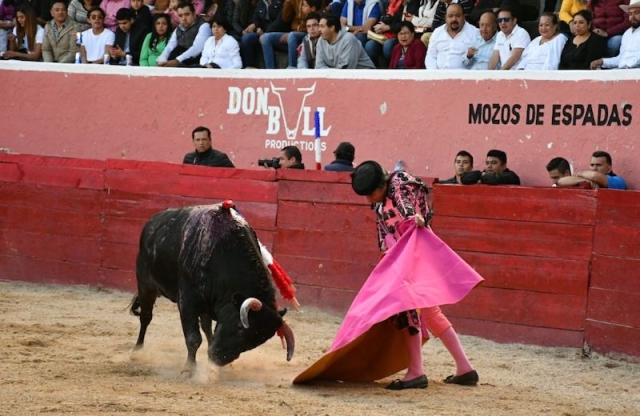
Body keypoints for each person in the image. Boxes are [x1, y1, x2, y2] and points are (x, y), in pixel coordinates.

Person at [350, 161, 479, 390]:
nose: (369, 199)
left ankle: (416, 372)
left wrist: (413, 217)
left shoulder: (398, 184)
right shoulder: (381, 199)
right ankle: (465, 369)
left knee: (408, 308)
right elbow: (383, 230)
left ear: (382, 184)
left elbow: (407, 206)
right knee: (430, 311)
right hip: (408, 256)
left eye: (372, 193)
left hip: (415, 255)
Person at [363, 0, 420, 67]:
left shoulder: (409, 3)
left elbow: (406, 24)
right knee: (370, 46)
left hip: (398, 34)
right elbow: (381, 19)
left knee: (388, 45)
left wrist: (389, 27)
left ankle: (389, 68)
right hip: (383, 34)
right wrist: (378, 27)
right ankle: (375, 69)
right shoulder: (388, 3)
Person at [425, 3, 478, 69]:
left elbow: (477, 60)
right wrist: (434, 74)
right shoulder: (437, 32)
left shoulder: (474, 33)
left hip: (464, 76)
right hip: (439, 76)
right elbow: (431, 56)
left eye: (458, 16)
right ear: (445, 18)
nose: (454, 19)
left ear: (464, 17)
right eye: (450, 16)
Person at [156, 1, 211, 66]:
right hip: (179, 61)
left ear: (194, 14)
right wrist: (162, 60)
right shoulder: (178, 28)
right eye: (180, 16)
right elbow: (169, 47)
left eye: (187, 14)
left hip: (196, 63)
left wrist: (177, 60)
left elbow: (197, 48)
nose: (183, 18)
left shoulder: (204, 26)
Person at [590, 0, 640, 69]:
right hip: (622, 71)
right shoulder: (627, 34)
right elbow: (620, 59)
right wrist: (602, 61)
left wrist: (627, 66)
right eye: (630, 14)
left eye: (636, 13)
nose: (633, 17)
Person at [259, 0, 306, 69]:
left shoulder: (308, 3)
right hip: (292, 32)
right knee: (265, 38)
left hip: (305, 32)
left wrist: (293, 32)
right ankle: (270, 70)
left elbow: (312, 22)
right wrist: (288, 3)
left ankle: (292, 67)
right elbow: (284, 19)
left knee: (291, 36)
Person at [238, 0, 284, 68]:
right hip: (262, 32)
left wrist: (265, 33)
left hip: (276, 32)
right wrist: (257, 27)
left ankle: (270, 69)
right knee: (246, 38)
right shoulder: (261, 2)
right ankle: (250, 66)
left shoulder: (280, 2)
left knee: (265, 38)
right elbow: (255, 18)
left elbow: (279, 21)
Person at [556, 151, 627, 189]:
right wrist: (585, 180)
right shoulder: (588, 178)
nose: (594, 168)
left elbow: (594, 176)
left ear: (609, 169)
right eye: (592, 165)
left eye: (599, 165)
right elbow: (560, 181)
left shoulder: (618, 180)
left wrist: (580, 173)